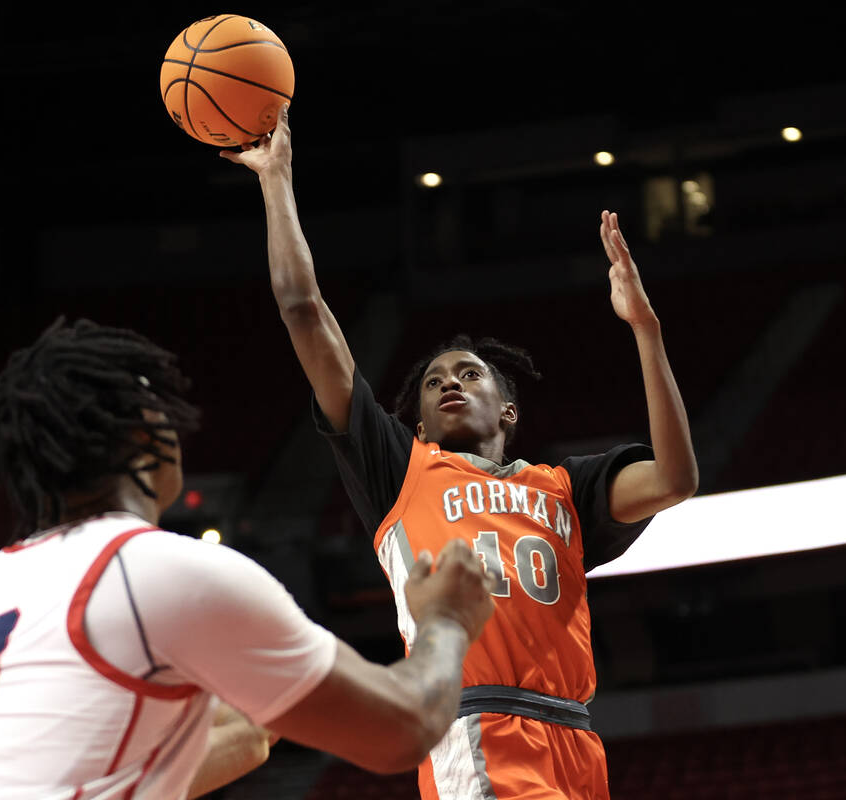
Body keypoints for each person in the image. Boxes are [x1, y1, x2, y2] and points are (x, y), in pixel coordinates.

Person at [222, 104, 699, 799]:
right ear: (415, 425)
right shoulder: (401, 470)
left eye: (469, 373)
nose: (449, 382)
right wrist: (276, 178)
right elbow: (303, 308)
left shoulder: (565, 488)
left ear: (508, 408)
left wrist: (647, 332)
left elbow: (677, 478)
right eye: (434, 383)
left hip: (575, 739)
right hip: (476, 731)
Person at [0, 318, 497, 800]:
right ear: (146, 435)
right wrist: (444, 621)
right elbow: (402, 729)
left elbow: (227, 741)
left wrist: (275, 703)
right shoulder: (162, 570)